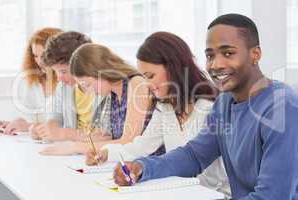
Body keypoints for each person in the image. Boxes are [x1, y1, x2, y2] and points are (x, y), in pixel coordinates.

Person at [113, 14, 298, 199]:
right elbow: (194, 155)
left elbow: (274, 195)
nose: (216, 64)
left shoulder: (282, 107)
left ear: (255, 54)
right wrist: (142, 167)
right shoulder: (224, 103)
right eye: (210, 55)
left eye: (228, 53)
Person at [85, 32, 230, 195]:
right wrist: (105, 153)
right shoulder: (165, 107)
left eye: (151, 76)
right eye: (144, 78)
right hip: (182, 191)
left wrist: (159, 178)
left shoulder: (210, 107)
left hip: (213, 194)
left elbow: (213, 178)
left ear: (174, 67)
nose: (147, 85)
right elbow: (142, 146)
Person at [39, 42, 154, 155]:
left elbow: (129, 142)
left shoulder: (136, 84)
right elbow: (108, 138)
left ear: (101, 72)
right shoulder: (112, 94)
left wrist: (75, 147)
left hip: (151, 164)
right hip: (126, 161)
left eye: (87, 85)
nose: (89, 92)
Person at [30, 31, 105, 143]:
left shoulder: (105, 88)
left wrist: (67, 134)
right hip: (73, 154)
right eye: (56, 72)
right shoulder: (64, 86)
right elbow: (55, 116)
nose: (59, 78)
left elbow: (107, 134)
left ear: (83, 64)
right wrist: (48, 128)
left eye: (63, 71)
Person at [0, 28, 62, 135]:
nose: (40, 61)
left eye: (44, 56)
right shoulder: (34, 83)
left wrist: (28, 126)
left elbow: (65, 127)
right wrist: (16, 125)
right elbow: (35, 120)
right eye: (36, 56)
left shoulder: (68, 83)